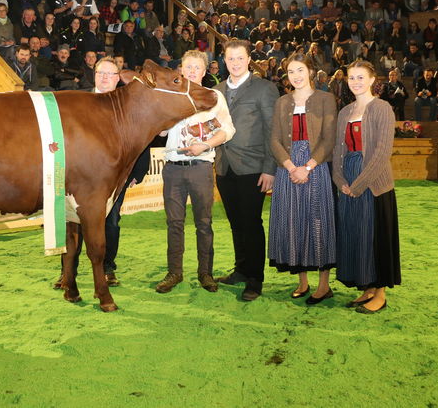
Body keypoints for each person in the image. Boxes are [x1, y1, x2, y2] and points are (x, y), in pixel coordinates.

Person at [53, 57, 150, 288]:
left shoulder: (128, 105)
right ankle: (68, 272)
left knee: (111, 223)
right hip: (74, 179)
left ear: (118, 79)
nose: (105, 78)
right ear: (94, 75)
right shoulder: (76, 101)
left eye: (111, 74)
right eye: (101, 73)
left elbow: (140, 139)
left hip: (113, 180)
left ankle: (107, 268)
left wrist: (138, 171)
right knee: (71, 225)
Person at [155, 50, 235, 294]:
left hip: (201, 167)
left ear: (204, 71)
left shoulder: (213, 97)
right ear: (180, 68)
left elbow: (228, 129)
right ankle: (174, 272)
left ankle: (205, 273)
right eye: (188, 66)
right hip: (173, 169)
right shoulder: (169, 96)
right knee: (174, 223)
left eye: (197, 68)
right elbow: (159, 132)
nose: (192, 71)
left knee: (204, 223)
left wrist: (207, 144)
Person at [268, 52, 337, 303]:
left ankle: (324, 285)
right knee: (294, 222)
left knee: (317, 222)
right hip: (287, 168)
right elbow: (274, 139)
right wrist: (289, 166)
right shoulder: (282, 102)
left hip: (315, 166)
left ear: (310, 72)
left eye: (300, 70)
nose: (295, 76)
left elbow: (329, 139)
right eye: (290, 72)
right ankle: (302, 281)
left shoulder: (326, 99)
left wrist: (306, 167)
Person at [214, 39, 280, 301]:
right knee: (235, 222)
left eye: (240, 58)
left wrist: (270, 168)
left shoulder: (265, 89)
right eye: (230, 59)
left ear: (249, 59)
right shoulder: (216, 91)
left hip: (254, 167)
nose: (235, 63)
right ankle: (241, 269)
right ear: (224, 60)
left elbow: (272, 131)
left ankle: (255, 278)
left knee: (251, 223)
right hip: (224, 167)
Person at [333, 59, 400, 313]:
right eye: (352, 78)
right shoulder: (344, 112)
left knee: (375, 236)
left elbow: (382, 152)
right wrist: (340, 180)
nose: (356, 82)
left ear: (372, 80)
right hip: (348, 180)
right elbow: (338, 151)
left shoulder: (382, 108)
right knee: (357, 235)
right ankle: (367, 287)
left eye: (361, 77)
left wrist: (358, 185)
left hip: (373, 183)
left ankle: (380, 293)